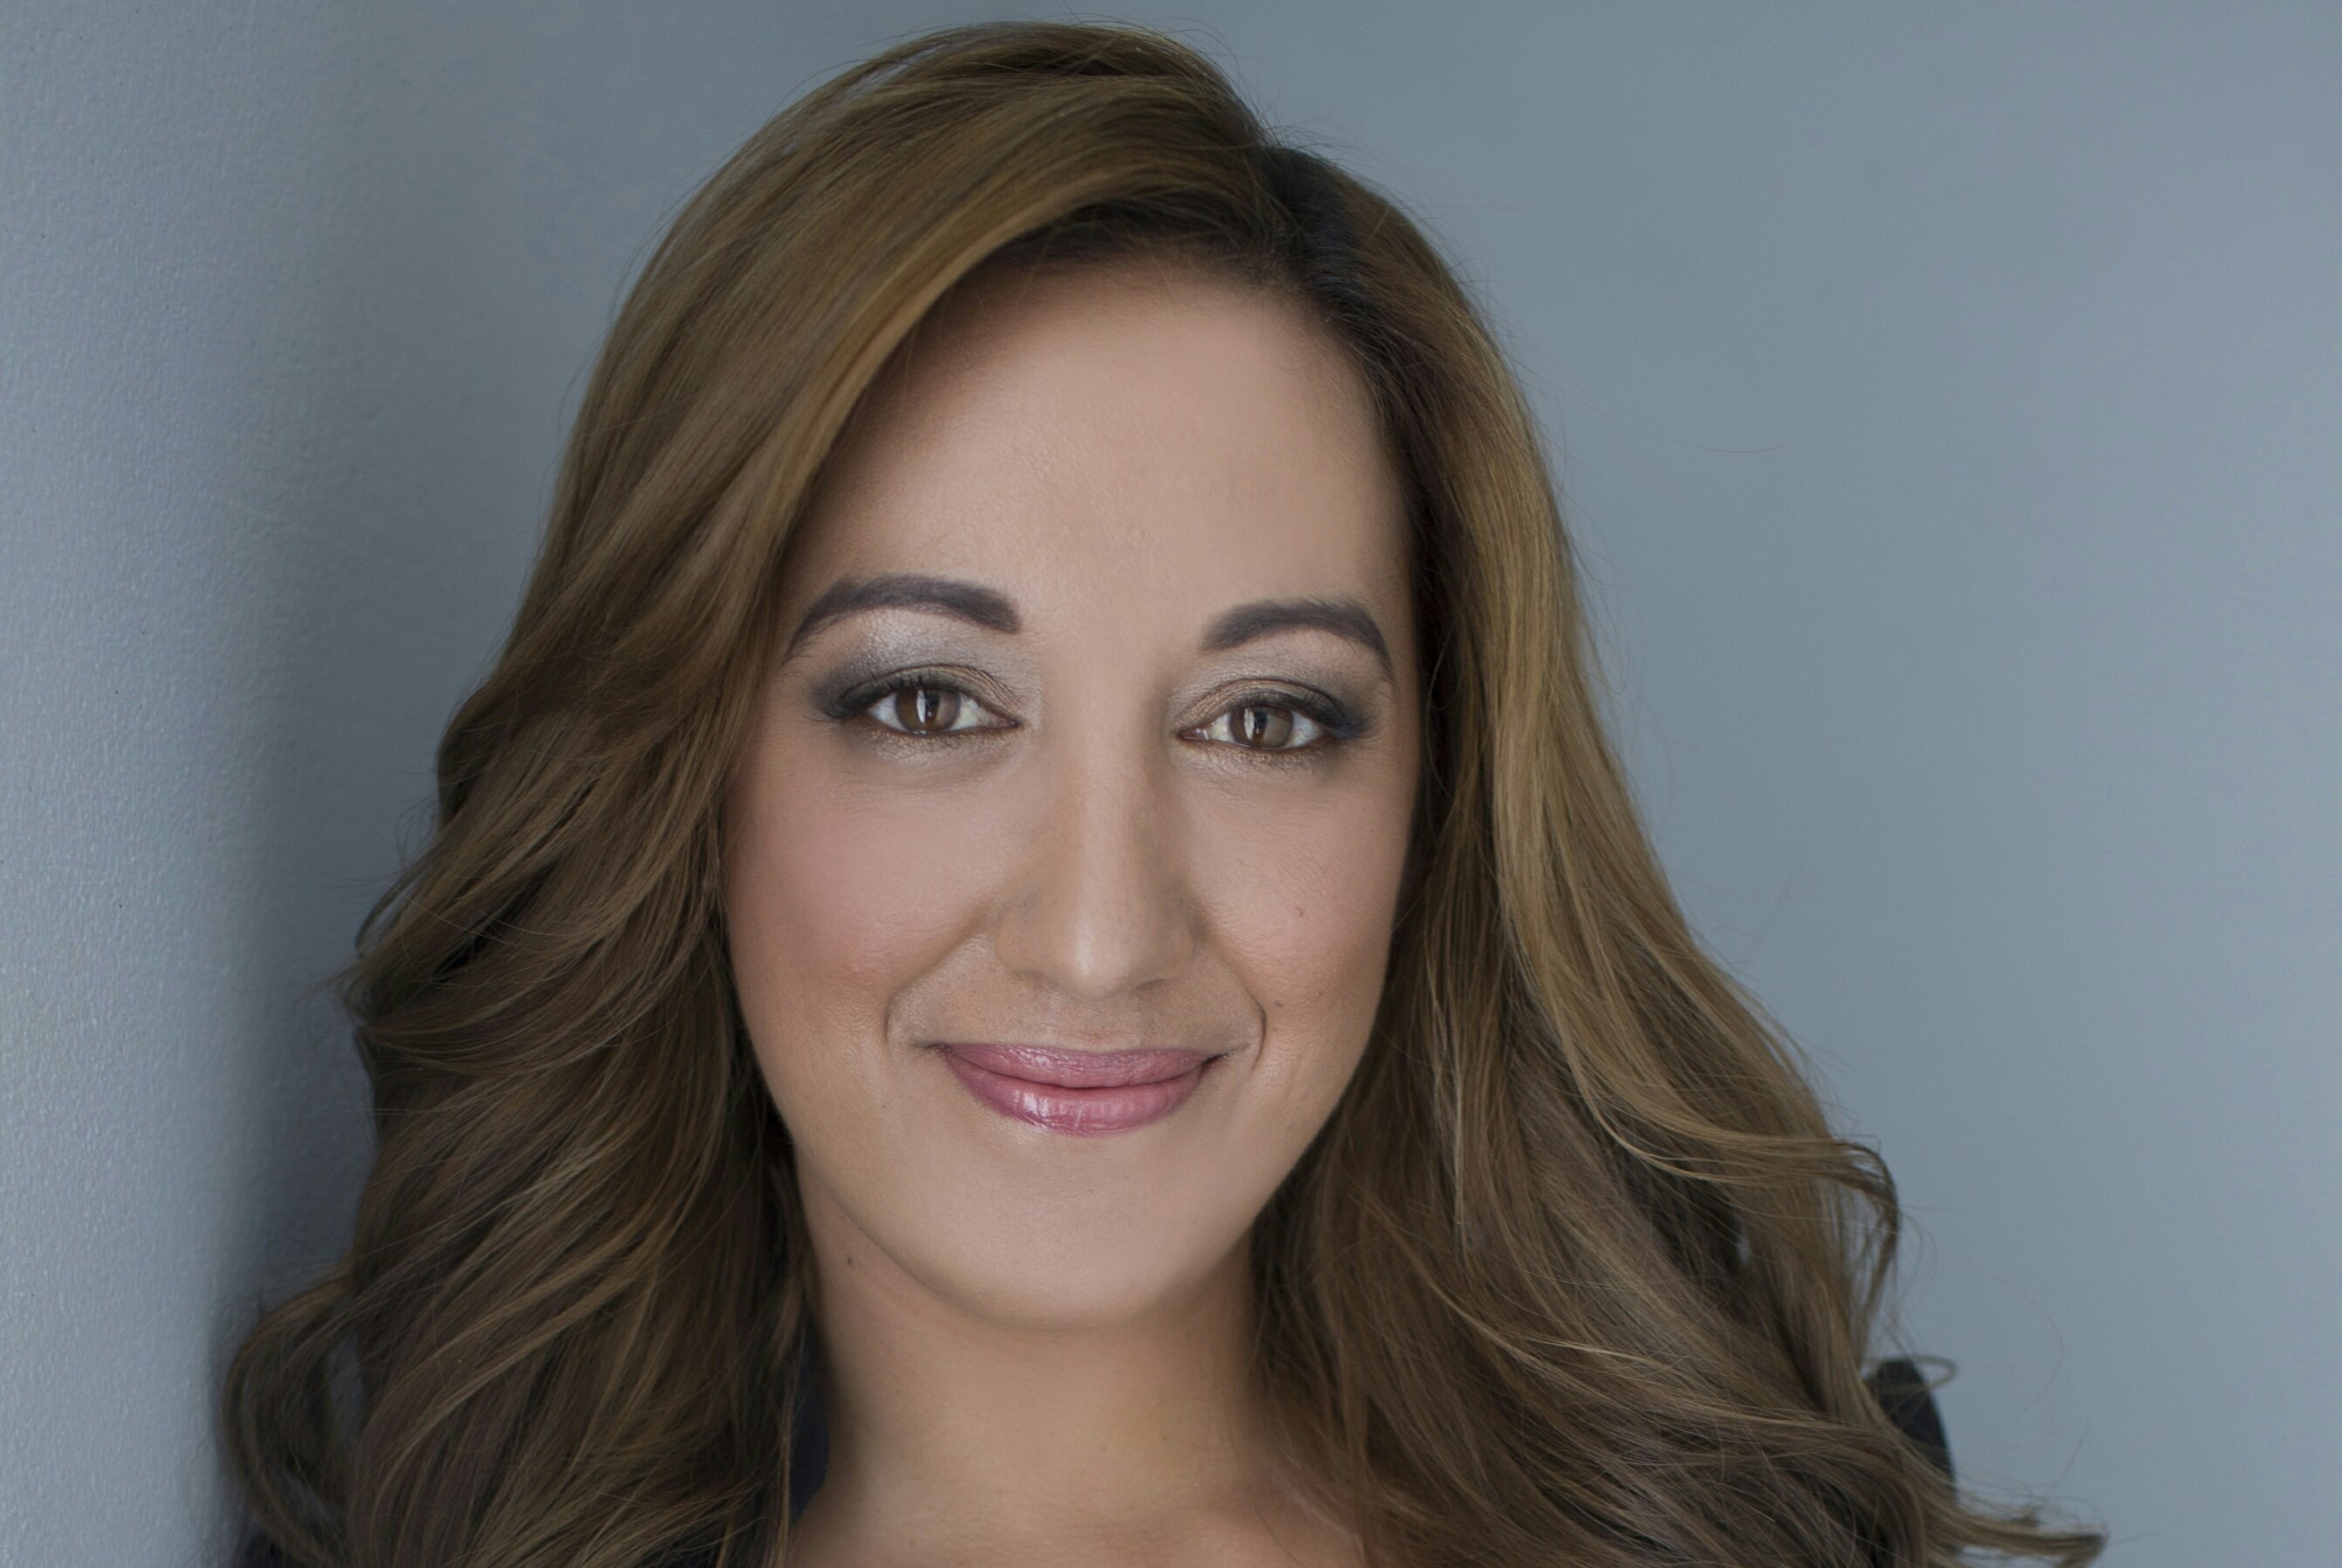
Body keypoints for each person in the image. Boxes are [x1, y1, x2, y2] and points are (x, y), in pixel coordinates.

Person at [224, 22, 2100, 1568]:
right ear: (687, 778)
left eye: (1266, 721)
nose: (1102, 933)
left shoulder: (1774, 1530)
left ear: (1435, 801)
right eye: (926, 700)